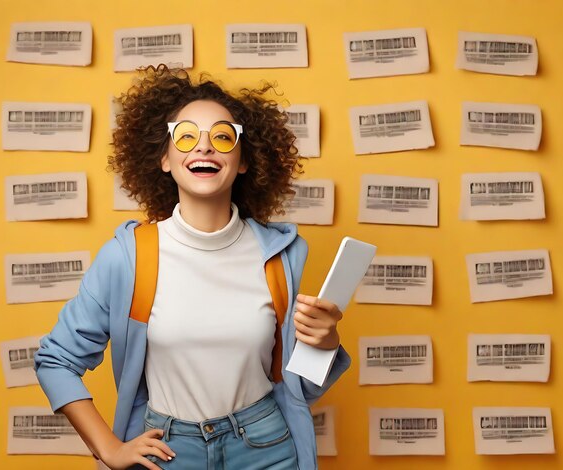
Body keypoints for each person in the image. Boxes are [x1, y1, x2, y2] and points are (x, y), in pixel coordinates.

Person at [35, 64, 350, 470]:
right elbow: (56, 359)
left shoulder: (282, 254)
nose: (204, 147)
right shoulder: (128, 256)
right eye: (185, 137)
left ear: (243, 162)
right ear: (164, 159)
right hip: (167, 451)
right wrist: (108, 447)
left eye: (222, 136)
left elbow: (298, 388)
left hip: (265, 448)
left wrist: (324, 345)